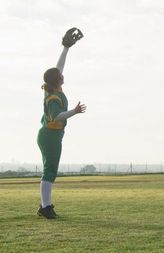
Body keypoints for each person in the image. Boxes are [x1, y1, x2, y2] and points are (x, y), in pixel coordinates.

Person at [37, 28, 86, 219]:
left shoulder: (51, 90)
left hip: (48, 135)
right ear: (58, 80)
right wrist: (74, 112)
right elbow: (57, 117)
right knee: (50, 171)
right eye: (60, 75)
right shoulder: (54, 98)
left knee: (48, 170)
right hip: (50, 136)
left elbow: (59, 67)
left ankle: (45, 204)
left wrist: (66, 48)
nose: (62, 75)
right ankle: (45, 207)